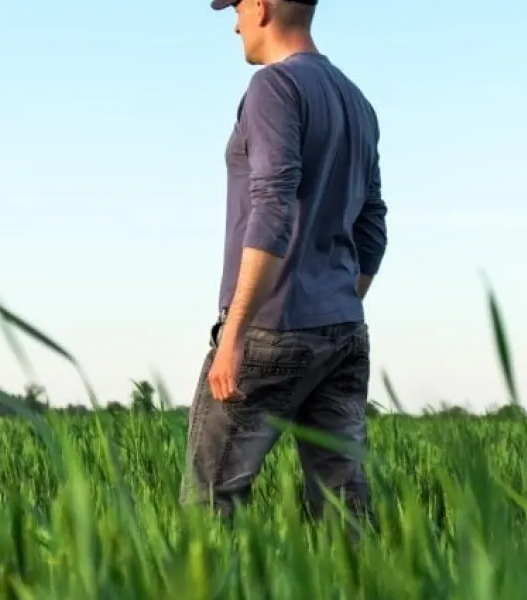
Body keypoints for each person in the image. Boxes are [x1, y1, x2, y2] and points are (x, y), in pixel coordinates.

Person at [180, 0, 388, 528]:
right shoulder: (357, 101)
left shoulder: (274, 88)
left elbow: (273, 205)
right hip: (342, 329)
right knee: (346, 512)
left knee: (210, 504)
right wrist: (335, 299)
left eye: (238, 9)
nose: (235, 24)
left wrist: (236, 333)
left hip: (269, 327)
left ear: (262, 7)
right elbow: (372, 224)